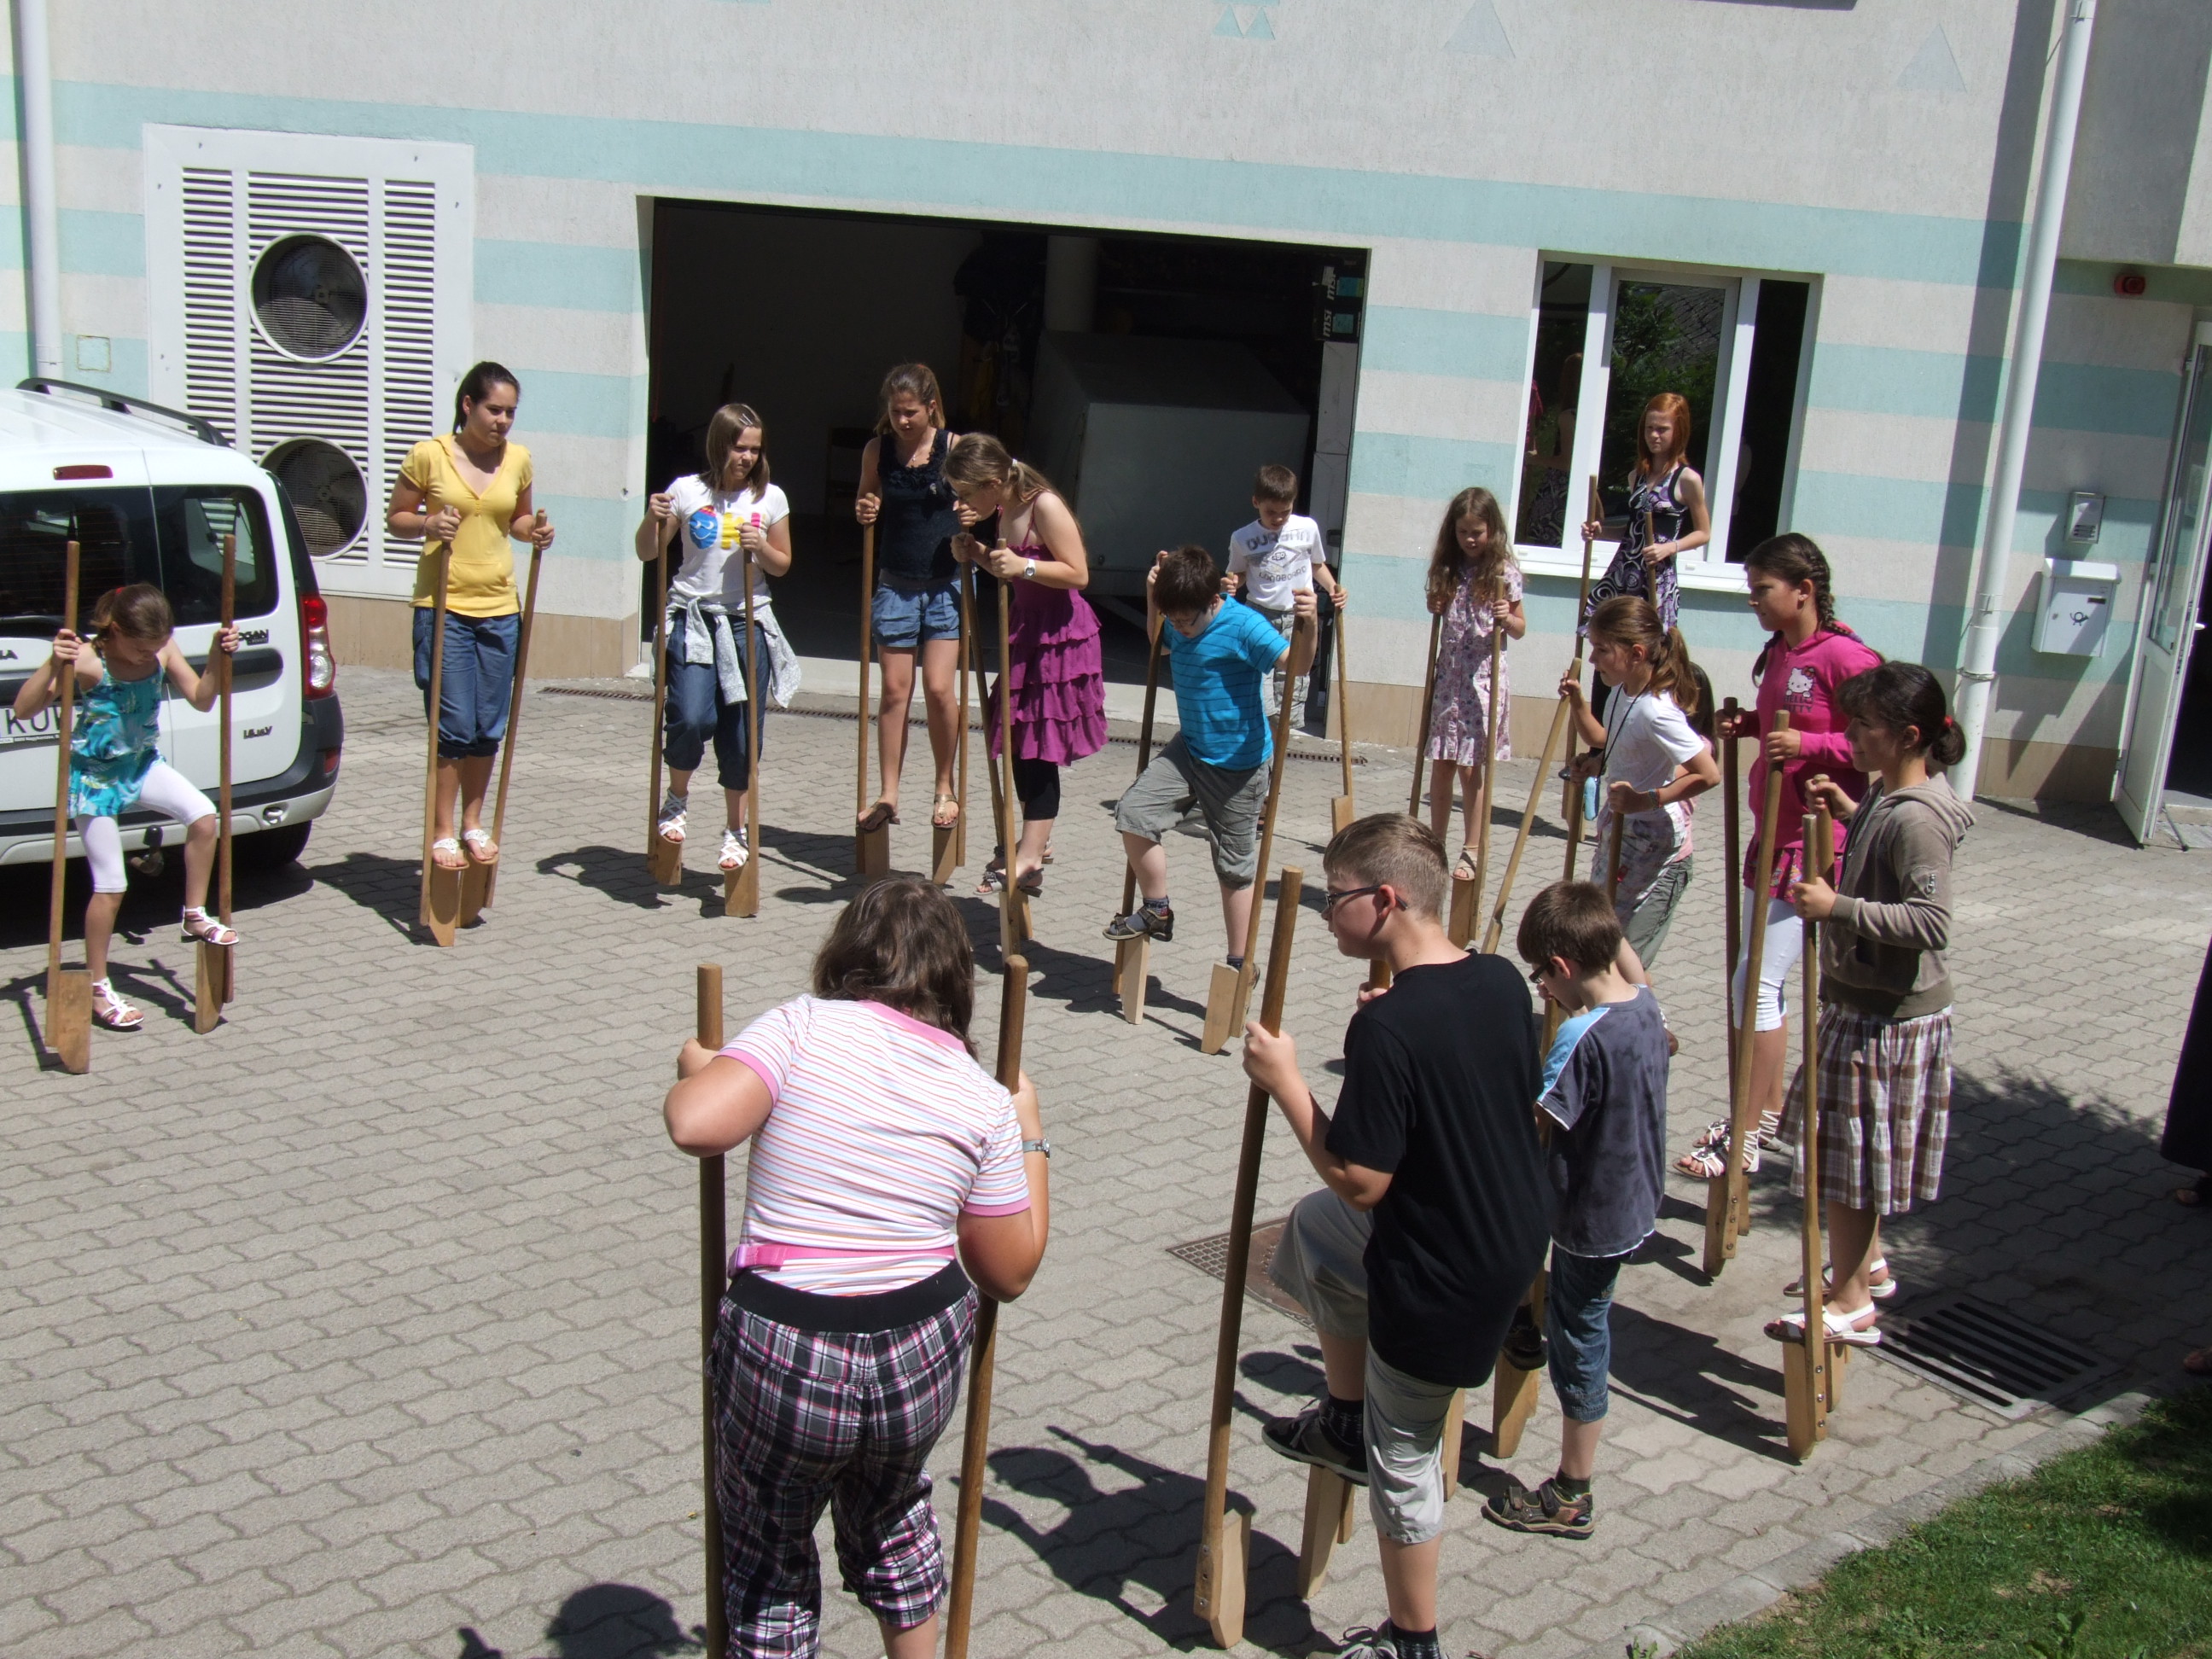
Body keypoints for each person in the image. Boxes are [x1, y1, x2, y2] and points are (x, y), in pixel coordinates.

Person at [661, 876, 1051, 1659]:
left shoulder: (802, 1026)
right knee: (893, 1518)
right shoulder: (980, 1095)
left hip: (787, 1344)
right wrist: (1028, 1127)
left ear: (844, 956)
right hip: (919, 1344)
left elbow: (696, 1123)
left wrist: (706, 1066)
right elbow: (1007, 1271)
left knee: (769, 1554)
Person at [1242, 814, 1551, 1659]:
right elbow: (1464, 1074)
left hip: (1445, 1274)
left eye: (1334, 898)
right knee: (1316, 1229)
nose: (1326, 915)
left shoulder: (1385, 1027)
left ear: (1384, 900)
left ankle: (1413, 1642)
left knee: (1405, 1459)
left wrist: (1287, 1084)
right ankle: (1345, 1418)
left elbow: (1360, 1179)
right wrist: (1399, 1033)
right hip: (1512, 1231)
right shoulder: (1498, 981)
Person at [1675, 534, 1882, 1184]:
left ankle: (1744, 1133)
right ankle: (1764, 1115)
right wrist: (1753, 729)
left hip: (1814, 841)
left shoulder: (1846, 657)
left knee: (1755, 984)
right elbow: (1787, 726)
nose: (1754, 601)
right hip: (1770, 832)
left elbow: (1881, 743)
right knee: (1761, 982)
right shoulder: (1782, 652)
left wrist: (1811, 746)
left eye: (1763, 589)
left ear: (1804, 590)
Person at [1776, 663, 1972, 1345]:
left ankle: (1852, 1302)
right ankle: (1869, 1264)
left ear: (1909, 736)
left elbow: (1931, 921)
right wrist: (1850, 813)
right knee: (1851, 1155)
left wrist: (1838, 907)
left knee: (1848, 1165)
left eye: (1864, 726)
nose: (1851, 736)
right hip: (1865, 1003)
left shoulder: (1918, 818)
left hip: (1884, 1019)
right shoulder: (1892, 797)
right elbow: (1884, 848)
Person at [1485, 882, 1668, 1540]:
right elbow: (1625, 959)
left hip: (1590, 1217)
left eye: (1541, 975)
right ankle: (1524, 1321)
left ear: (1562, 967)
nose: (1540, 989)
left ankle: (1572, 1489)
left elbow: (1535, 1121)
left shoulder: (1579, 1040)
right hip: (1635, 1197)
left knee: (1580, 1336)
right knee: (1574, 1313)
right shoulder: (1645, 1006)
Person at [12, 584, 240, 1031]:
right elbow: (24, 709)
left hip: (141, 764)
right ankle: (98, 985)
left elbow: (202, 698)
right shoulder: (87, 659)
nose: (147, 657)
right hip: (96, 781)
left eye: (155, 648)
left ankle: (194, 914)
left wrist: (218, 655)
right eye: (140, 649)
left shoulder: (162, 648)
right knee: (112, 886)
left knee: (204, 816)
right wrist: (53, 663)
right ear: (114, 630)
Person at [1105, 544, 1318, 965]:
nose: (1181, 629)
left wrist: (1309, 626)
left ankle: (1239, 961)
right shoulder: (1175, 616)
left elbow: (1296, 667)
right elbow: (1158, 642)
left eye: (1189, 620)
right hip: (1190, 749)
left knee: (1233, 867)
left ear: (1213, 599)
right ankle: (1157, 909)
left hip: (1239, 766)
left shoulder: (1244, 625)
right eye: (1175, 619)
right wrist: (1152, 595)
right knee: (1134, 813)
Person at [385, 361, 557, 873]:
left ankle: (472, 822)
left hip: (500, 607)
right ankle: (442, 830)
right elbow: (397, 519)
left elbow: (516, 518)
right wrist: (427, 523)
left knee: (488, 724)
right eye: (494, 410)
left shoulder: (519, 459)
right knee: (453, 723)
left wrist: (533, 532)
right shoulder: (429, 455)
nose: (503, 421)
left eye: (510, 412)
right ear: (468, 405)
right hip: (445, 606)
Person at [637, 402, 799, 874]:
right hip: (695, 619)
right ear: (719, 444)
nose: (747, 457)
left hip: (747, 620)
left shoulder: (771, 497)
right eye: (739, 447)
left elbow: (783, 564)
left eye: (755, 449)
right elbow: (648, 552)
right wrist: (652, 519)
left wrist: (760, 546)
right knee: (690, 716)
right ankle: (677, 798)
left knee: (743, 734)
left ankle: (735, 829)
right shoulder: (686, 490)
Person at [943, 434, 1107, 896]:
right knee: (1015, 737)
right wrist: (977, 554)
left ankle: (1032, 853)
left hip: (1061, 637)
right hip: (1027, 632)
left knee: (1038, 745)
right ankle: (1034, 842)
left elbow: (1078, 573)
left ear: (992, 483)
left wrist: (1024, 567)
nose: (962, 503)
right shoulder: (1004, 508)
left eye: (966, 493)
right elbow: (1009, 567)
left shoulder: (1044, 505)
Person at [1559, 596, 1720, 987]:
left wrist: (1647, 799)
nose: (1593, 659)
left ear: (1636, 653)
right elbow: (1606, 739)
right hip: (1621, 830)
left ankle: (1645, 1017)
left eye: (1602, 649)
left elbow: (1709, 773)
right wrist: (1583, 718)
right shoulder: (1622, 692)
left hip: (1653, 842)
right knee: (1601, 932)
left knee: (1617, 945)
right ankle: (1619, 1011)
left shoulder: (1657, 710)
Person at [854, 365, 965, 839]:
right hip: (895, 584)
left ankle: (944, 786)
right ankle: (888, 794)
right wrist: (866, 508)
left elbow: (986, 494)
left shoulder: (954, 447)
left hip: (945, 584)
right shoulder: (877, 450)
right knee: (895, 692)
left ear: (931, 407)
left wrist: (973, 511)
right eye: (896, 412)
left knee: (939, 689)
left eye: (911, 412)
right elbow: (865, 500)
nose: (902, 420)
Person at [1419, 486, 1525, 875]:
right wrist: (1434, 604)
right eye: (1463, 532)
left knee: (1470, 767)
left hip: (1482, 682)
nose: (1470, 539)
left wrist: (1506, 617)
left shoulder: (1503, 573)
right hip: (1449, 679)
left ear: (1491, 529)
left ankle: (1472, 847)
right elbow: (1440, 608)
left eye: (1477, 532)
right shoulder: (1448, 569)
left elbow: (1520, 628)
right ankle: (1435, 844)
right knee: (1442, 763)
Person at [1580, 392, 1709, 634]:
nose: (1654, 435)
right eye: (1649, 428)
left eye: (1662, 429)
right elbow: (1633, 530)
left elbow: (1704, 533)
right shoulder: (1636, 476)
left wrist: (1669, 548)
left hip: (1655, 575)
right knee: (1606, 630)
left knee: (1647, 638)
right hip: (1626, 569)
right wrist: (1600, 532)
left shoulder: (1687, 479)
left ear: (1679, 431)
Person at [1225, 463, 1347, 720]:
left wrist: (1333, 588)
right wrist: (1232, 582)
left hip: (1297, 618)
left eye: (1286, 511)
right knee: (1258, 693)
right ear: (1256, 502)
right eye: (1271, 512)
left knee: (1289, 695)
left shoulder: (1307, 528)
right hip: (1258, 617)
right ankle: (1262, 744)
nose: (1278, 519)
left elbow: (1316, 565)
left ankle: (1280, 744)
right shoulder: (1242, 537)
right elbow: (1239, 572)